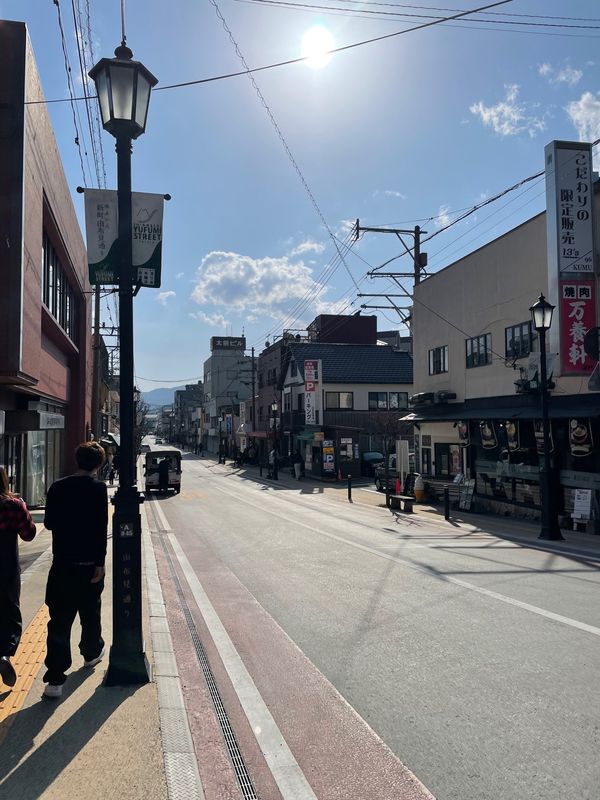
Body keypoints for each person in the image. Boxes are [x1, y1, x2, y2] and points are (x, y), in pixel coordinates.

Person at [42, 442, 108, 699]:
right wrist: (100, 562)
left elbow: (49, 523)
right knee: (90, 614)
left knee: (59, 621)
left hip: (62, 565)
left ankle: (55, 680)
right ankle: (91, 653)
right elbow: (100, 528)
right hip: (88, 565)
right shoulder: (98, 489)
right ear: (99, 464)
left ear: (76, 459)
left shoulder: (57, 487)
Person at [0, 468, 37, 688]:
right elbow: (29, 534)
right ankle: (4, 654)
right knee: (10, 614)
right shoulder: (12, 505)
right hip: (5, 569)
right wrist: (22, 506)